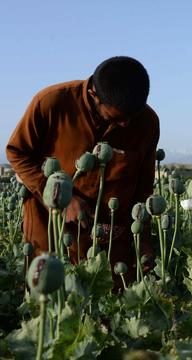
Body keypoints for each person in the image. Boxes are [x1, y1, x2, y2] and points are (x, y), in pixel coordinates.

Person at [6, 56, 159, 278]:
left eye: (131, 117)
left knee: (106, 299)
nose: (125, 124)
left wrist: (143, 239)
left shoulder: (146, 121)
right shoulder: (51, 103)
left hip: (110, 234)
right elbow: (17, 152)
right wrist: (59, 200)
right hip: (49, 224)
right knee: (50, 300)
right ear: (94, 95)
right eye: (116, 119)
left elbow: (144, 188)